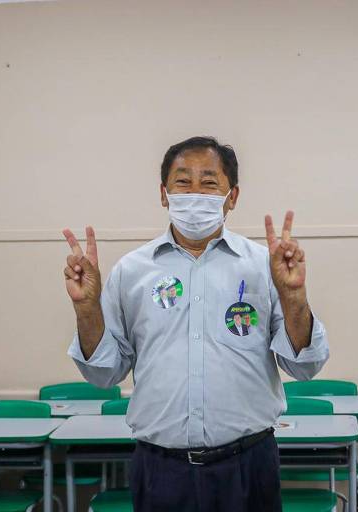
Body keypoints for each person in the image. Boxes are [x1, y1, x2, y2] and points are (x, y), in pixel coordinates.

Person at [61, 136, 329, 512]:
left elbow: (305, 365)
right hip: (160, 470)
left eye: (209, 182)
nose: (194, 193)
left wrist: (295, 296)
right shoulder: (132, 271)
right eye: (183, 181)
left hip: (248, 466)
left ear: (231, 196)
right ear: (164, 193)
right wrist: (87, 307)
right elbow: (103, 373)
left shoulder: (262, 265)